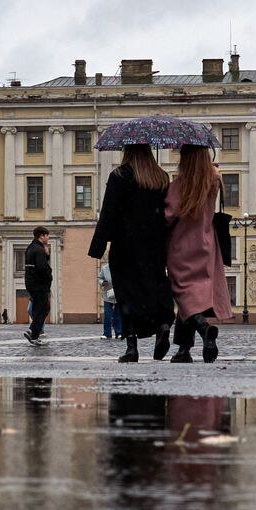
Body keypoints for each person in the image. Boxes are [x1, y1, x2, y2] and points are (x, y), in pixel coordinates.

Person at [88, 143, 173, 363]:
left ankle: (132, 347)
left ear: (126, 151)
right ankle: (163, 326)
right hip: (154, 246)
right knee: (154, 287)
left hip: (125, 246)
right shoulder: (162, 178)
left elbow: (108, 212)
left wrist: (98, 246)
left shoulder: (119, 176)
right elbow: (168, 214)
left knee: (127, 296)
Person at [164, 143, 234, 363]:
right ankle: (184, 349)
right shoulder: (213, 181)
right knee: (196, 294)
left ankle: (205, 330)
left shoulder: (180, 185)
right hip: (207, 243)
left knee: (184, 294)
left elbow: (168, 215)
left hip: (182, 246)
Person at [23, 226, 52, 345]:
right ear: (42, 236)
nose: (48, 238)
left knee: (37, 308)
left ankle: (34, 334)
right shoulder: (39, 249)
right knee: (44, 308)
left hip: (30, 282)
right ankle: (32, 331)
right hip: (39, 284)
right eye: (47, 236)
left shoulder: (30, 247)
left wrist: (47, 255)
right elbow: (41, 267)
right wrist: (49, 277)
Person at [97, 263, 123, 340]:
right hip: (108, 295)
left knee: (118, 316)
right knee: (108, 315)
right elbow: (99, 278)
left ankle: (119, 333)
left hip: (119, 294)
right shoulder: (105, 268)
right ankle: (107, 333)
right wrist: (102, 282)